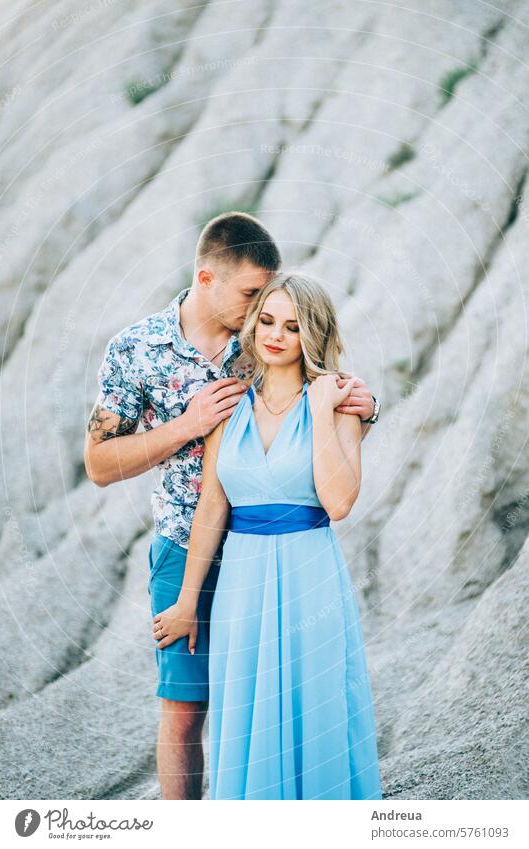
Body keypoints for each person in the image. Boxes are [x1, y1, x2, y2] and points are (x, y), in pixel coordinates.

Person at [84, 212, 380, 800]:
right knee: (185, 707)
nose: (261, 314)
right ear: (207, 277)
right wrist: (187, 426)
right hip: (182, 541)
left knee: (283, 694)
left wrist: (364, 412)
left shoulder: (258, 346)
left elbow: (317, 389)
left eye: (270, 303)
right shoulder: (137, 350)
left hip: (279, 550)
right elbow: (98, 466)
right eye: (252, 296)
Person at [153, 271, 383, 799]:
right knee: (247, 710)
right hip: (242, 581)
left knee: (314, 702)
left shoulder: (341, 403)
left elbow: (339, 502)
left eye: (294, 326)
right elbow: (211, 506)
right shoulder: (228, 405)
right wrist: (189, 600)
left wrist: (322, 409)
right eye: (268, 321)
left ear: (313, 335)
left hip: (311, 577)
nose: (276, 334)